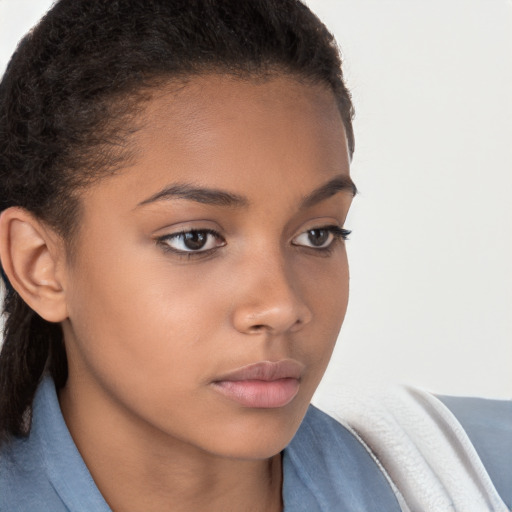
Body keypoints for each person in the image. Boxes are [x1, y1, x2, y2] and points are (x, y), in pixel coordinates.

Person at [0, 1, 510, 511]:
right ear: (40, 265)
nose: (282, 305)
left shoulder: (482, 478)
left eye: (318, 234)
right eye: (194, 238)